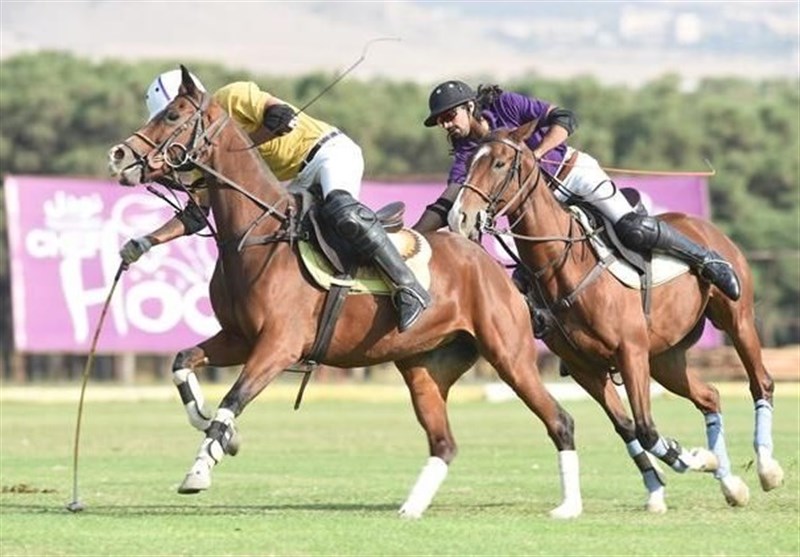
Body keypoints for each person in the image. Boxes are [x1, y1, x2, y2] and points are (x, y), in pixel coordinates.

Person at [120, 69, 430, 332]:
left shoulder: (232, 97)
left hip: (328, 153)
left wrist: (234, 149)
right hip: (296, 183)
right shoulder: (204, 154)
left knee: (343, 212)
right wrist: (147, 242)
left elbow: (282, 116)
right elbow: (195, 215)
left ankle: (408, 287)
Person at [414, 80, 741, 302]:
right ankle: (574, 340)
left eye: (449, 115)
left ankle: (706, 259)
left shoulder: (505, 104)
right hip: (544, 205)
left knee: (632, 228)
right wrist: (412, 235)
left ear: (470, 106)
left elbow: (564, 118)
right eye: (440, 121)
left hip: (573, 174)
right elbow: (449, 201)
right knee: (530, 278)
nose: (446, 124)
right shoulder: (467, 151)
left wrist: (537, 154)